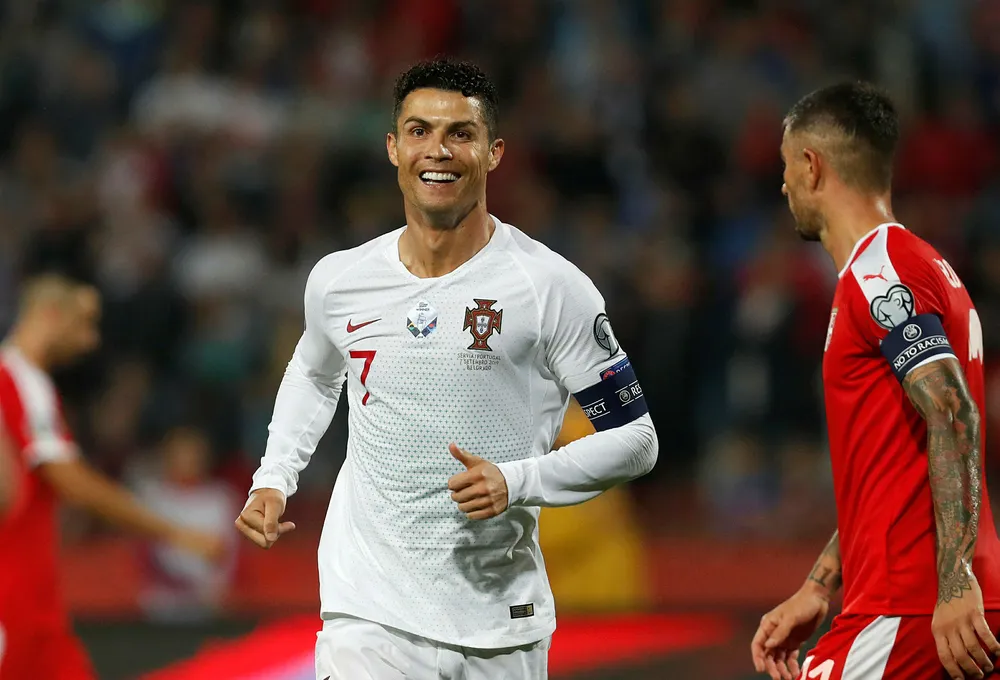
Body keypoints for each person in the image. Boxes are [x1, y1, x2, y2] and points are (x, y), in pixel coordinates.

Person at [235, 58, 658, 679]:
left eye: (461, 133)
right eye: (419, 131)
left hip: (498, 622)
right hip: (369, 613)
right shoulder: (341, 281)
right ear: (393, 147)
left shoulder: (549, 287)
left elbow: (637, 440)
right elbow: (315, 372)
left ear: (494, 153)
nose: (438, 150)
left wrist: (517, 480)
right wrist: (274, 477)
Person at [750, 81, 1000, 680]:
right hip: (937, 604)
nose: (783, 186)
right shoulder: (918, 266)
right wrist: (820, 584)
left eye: (786, 167)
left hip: (911, 609)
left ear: (812, 165)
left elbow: (953, 411)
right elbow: (894, 467)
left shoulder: (881, 273)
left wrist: (953, 580)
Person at [0, 274, 225, 680]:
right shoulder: (19, 380)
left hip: (35, 602)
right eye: (85, 323)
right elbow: (73, 482)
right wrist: (174, 533)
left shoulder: (25, 382)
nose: (91, 341)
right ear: (50, 315)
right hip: (14, 598)